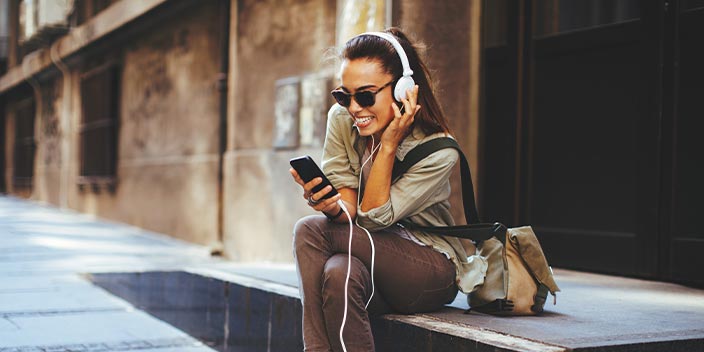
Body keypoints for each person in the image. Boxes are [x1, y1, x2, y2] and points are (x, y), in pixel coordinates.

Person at [290, 27, 487, 352]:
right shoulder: (342, 120)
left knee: (310, 232)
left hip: (429, 269)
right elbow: (350, 211)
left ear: (402, 90)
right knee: (340, 273)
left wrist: (390, 143)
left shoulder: (438, 151)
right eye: (344, 95)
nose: (354, 108)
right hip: (370, 259)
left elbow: (373, 217)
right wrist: (329, 204)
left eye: (365, 96)